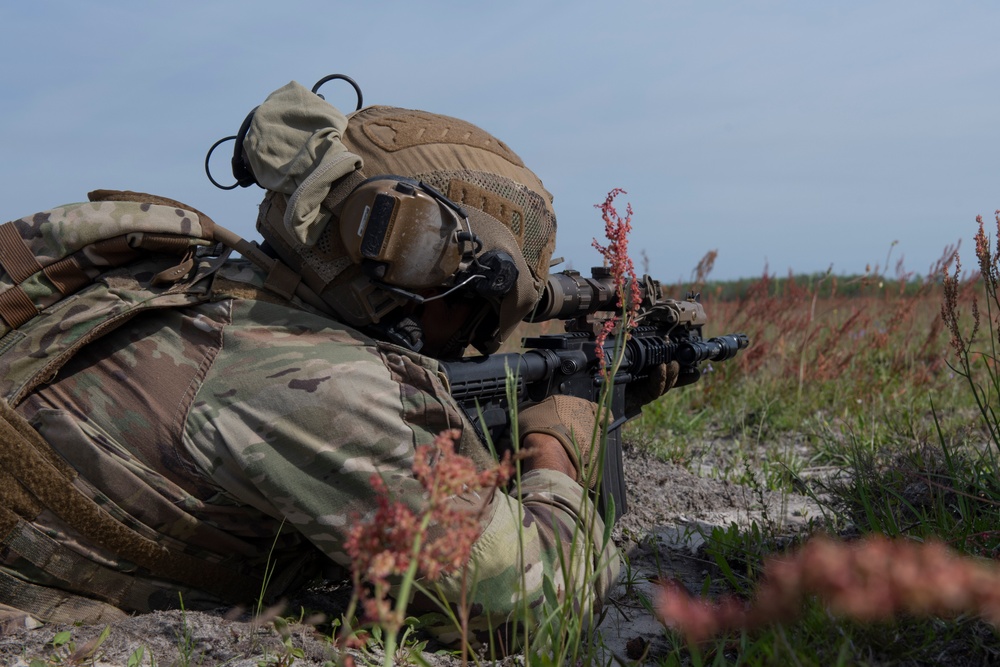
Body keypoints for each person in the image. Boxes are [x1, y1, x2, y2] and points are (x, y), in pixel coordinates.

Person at [0, 80, 661, 641]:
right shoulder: (319, 381)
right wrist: (556, 448)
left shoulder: (183, 275)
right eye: (479, 310)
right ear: (423, 258)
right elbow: (535, 602)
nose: (471, 343)